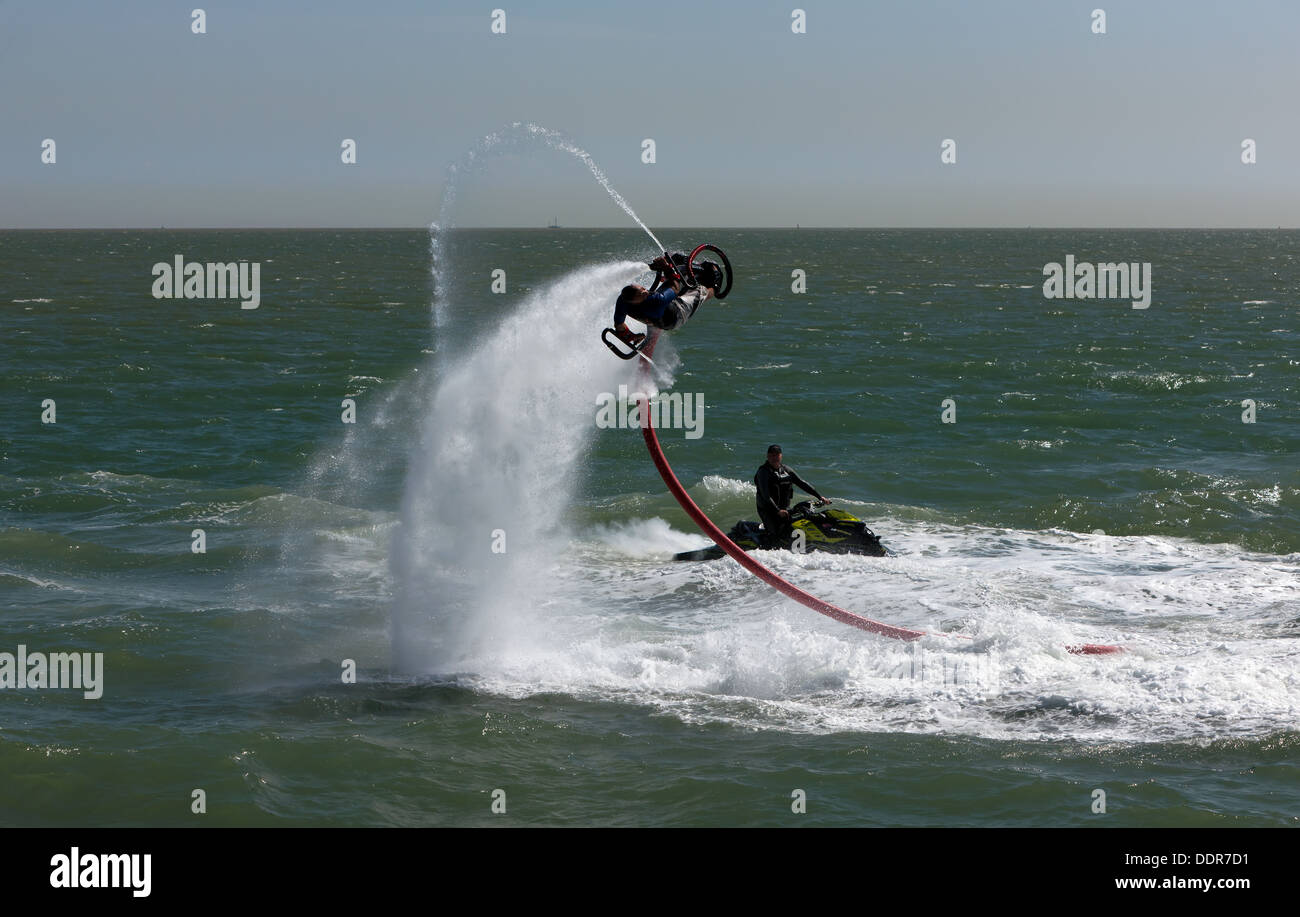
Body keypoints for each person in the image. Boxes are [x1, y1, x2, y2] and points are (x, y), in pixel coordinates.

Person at [610, 253, 717, 348]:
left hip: (654, 318)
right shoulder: (656, 301)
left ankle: (673, 265)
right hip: (676, 315)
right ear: (635, 301)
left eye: (642, 288)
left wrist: (629, 336)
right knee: (701, 291)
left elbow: (619, 325)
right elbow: (675, 287)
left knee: (669, 281)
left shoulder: (623, 300)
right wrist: (666, 267)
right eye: (641, 294)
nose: (645, 291)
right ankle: (715, 286)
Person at [753, 444, 829, 548]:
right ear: (768, 456)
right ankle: (766, 553)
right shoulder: (763, 472)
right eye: (772, 455)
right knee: (775, 535)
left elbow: (802, 483)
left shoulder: (786, 470)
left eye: (777, 455)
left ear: (781, 456)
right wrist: (777, 511)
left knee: (795, 526)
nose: (774, 458)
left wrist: (820, 497)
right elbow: (766, 496)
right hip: (768, 510)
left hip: (784, 509)